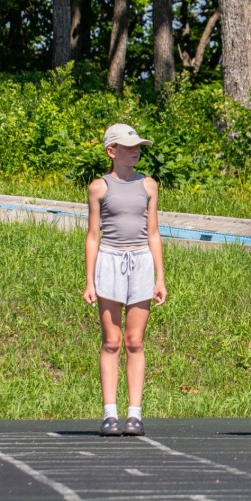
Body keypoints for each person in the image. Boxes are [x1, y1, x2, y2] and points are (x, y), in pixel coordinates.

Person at [83, 123, 167, 437]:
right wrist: (90, 281)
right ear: (111, 151)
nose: (135, 152)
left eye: (138, 148)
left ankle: (134, 414)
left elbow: (153, 233)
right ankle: (110, 414)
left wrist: (160, 277)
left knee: (135, 341)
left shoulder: (149, 185)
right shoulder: (99, 187)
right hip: (110, 260)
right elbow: (93, 236)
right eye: (129, 147)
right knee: (111, 341)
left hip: (141, 261)